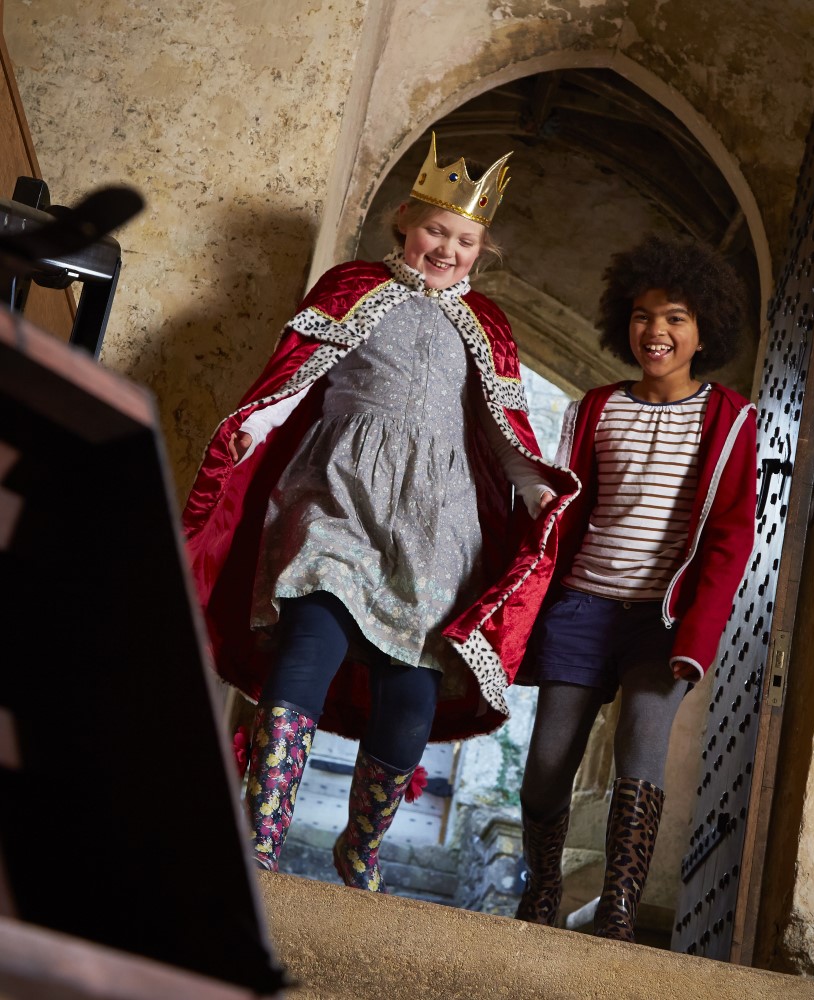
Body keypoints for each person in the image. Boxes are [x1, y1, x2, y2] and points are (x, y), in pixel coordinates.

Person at [182, 133, 578, 889]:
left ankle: (359, 850)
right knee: (309, 644)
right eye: (435, 230)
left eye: (465, 240)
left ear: (481, 249)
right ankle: (260, 838)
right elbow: (296, 378)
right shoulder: (352, 288)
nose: (446, 248)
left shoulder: (486, 327)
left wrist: (536, 496)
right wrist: (247, 432)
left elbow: (503, 435)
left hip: (439, 530)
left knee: (410, 693)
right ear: (404, 220)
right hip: (337, 494)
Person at [514, 233, 757, 940]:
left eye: (675, 316)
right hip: (583, 606)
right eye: (644, 315)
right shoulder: (594, 407)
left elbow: (730, 538)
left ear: (703, 328)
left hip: (663, 618)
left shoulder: (731, 418)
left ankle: (618, 909)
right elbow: (566, 513)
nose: (657, 331)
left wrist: (696, 640)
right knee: (546, 768)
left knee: (641, 752)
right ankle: (542, 890)